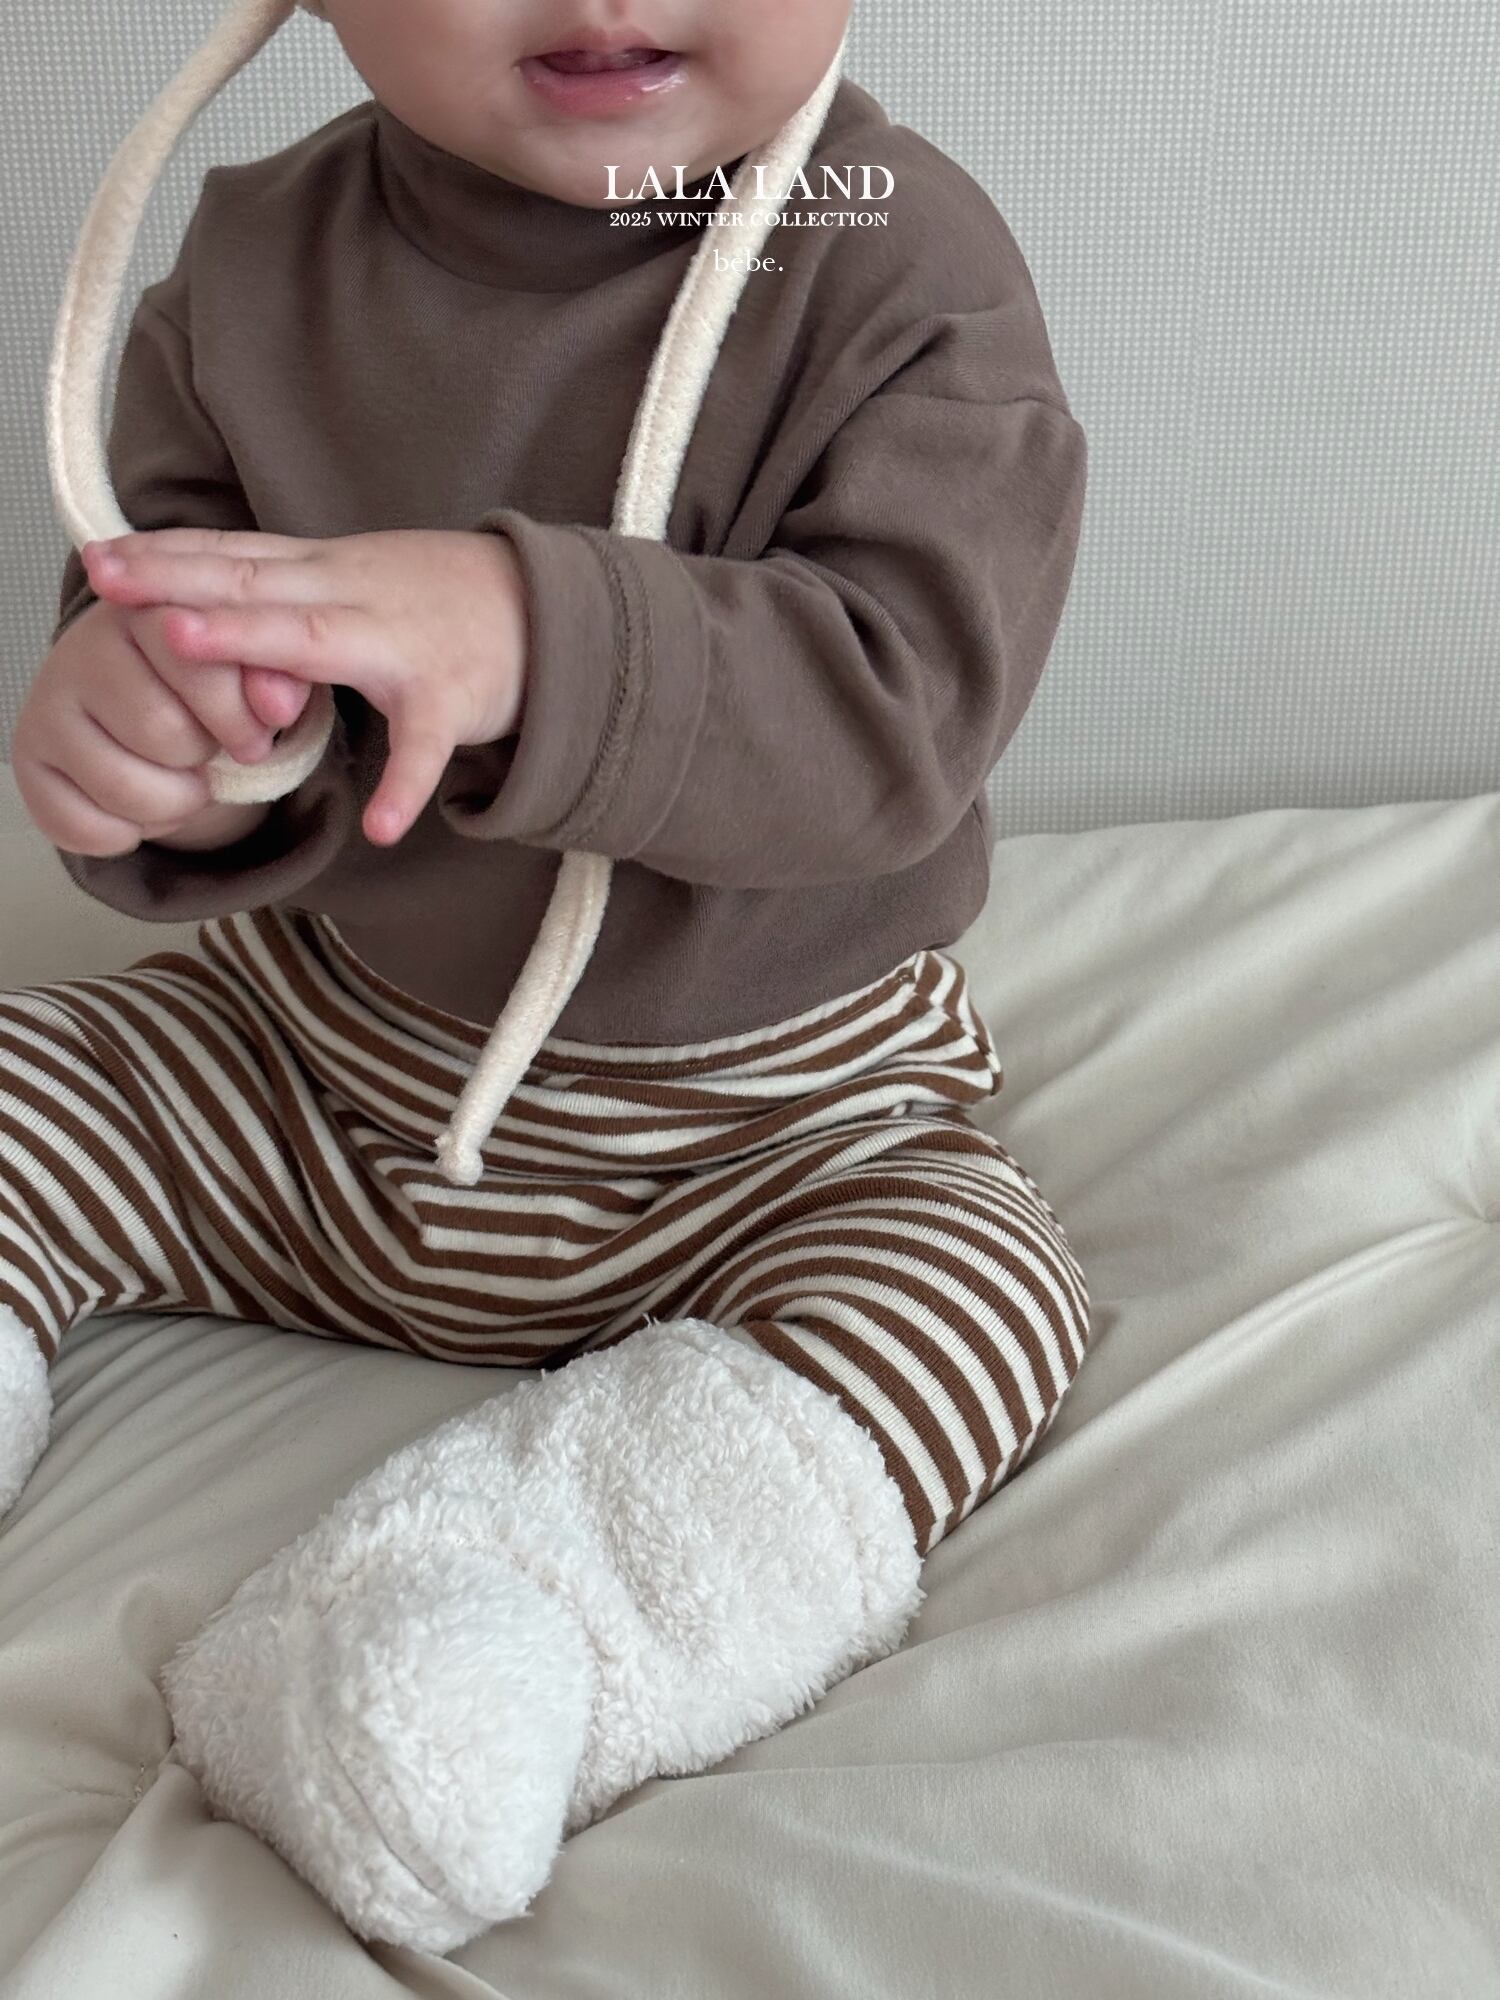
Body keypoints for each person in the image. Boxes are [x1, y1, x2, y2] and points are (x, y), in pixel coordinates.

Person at [2, 0, 1093, 1951]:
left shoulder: (899, 267)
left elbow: (900, 711)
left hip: (768, 1141)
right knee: (28, 1084)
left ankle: (481, 1630)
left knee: (981, 1294)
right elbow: (175, 609)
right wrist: (151, 726)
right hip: (308, 1083)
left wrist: (530, 633)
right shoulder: (251, 264)